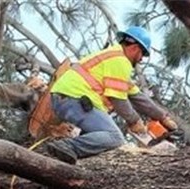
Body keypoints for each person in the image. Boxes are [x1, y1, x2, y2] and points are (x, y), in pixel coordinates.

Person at [44, 26, 179, 164]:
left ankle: (70, 160)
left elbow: (137, 97)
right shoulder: (120, 61)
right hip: (74, 100)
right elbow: (118, 99)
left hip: (69, 99)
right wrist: (134, 121)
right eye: (142, 55)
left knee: (99, 140)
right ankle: (67, 146)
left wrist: (163, 117)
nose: (141, 60)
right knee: (114, 137)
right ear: (135, 48)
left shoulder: (114, 58)